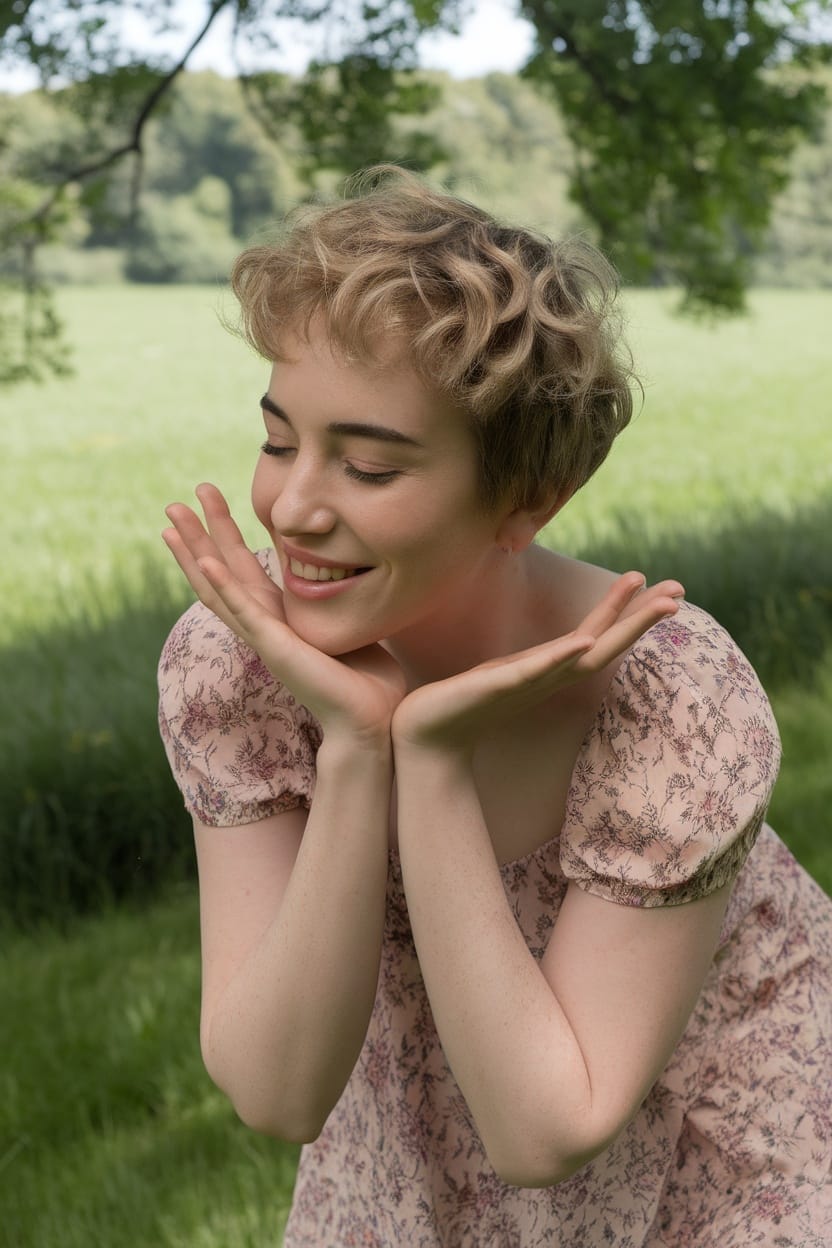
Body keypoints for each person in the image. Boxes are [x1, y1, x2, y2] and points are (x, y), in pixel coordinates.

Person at [158, 168, 830, 1247]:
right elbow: (275, 1095)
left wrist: (426, 765)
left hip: (712, 1176)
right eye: (280, 441)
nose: (293, 507)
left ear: (528, 500)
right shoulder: (237, 668)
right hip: (408, 1168)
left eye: (369, 466)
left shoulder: (665, 702)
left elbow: (542, 1132)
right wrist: (353, 746)